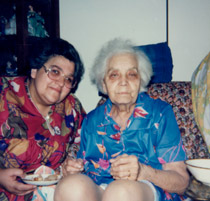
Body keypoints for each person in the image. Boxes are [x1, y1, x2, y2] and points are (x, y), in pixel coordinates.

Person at [54, 38, 189, 201]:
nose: (123, 82)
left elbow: (182, 182)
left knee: (121, 191)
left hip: (147, 189)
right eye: (114, 75)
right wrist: (71, 170)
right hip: (100, 188)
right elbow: (83, 167)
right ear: (104, 83)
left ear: (141, 81)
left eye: (132, 74)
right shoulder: (92, 120)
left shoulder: (160, 113)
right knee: (70, 186)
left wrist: (143, 171)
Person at [0, 37, 86, 201]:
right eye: (55, 72)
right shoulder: (4, 94)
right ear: (35, 70)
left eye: (68, 79)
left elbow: (84, 145)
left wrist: (71, 164)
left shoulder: (72, 108)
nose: (61, 83)